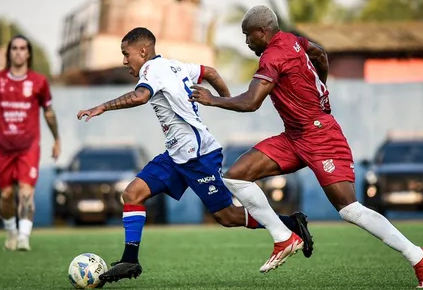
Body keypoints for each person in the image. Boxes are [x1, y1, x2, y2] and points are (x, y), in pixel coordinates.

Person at [189, 5, 423, 287]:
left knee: (349, 209)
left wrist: (213, 100)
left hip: (321, 137)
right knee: (236, 175)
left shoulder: (273, 55)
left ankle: (419, 256)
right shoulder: (293, 40)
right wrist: (319, 85)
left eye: (248, 36)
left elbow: (251, 102)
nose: (246, 43)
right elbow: (319, 52)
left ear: (262, 31)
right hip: (294, 136)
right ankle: (284, 237)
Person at [76, 27, 313, 287]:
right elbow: (209, 72)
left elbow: (140, 96)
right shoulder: (175, 66)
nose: (124, 61)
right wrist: (228, 99)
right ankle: (130, 259)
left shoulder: (150, 70)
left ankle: (290, 223)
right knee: (132, 194)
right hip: (176, 155)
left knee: (227, 217)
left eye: (126, 54)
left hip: (199, 156)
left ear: (143, 51)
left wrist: (102, 107)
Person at [0, 35, 61, 251]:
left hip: (29, 147)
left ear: (28, 53)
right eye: (14, 48)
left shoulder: (38, 82)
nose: (18, 52)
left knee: (26, 193)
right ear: (9, 52)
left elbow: (49, 113)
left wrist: (57, 139)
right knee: (6, 196)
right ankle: (11, 230)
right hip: (3, 147)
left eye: (22, 48)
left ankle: (24, 236)